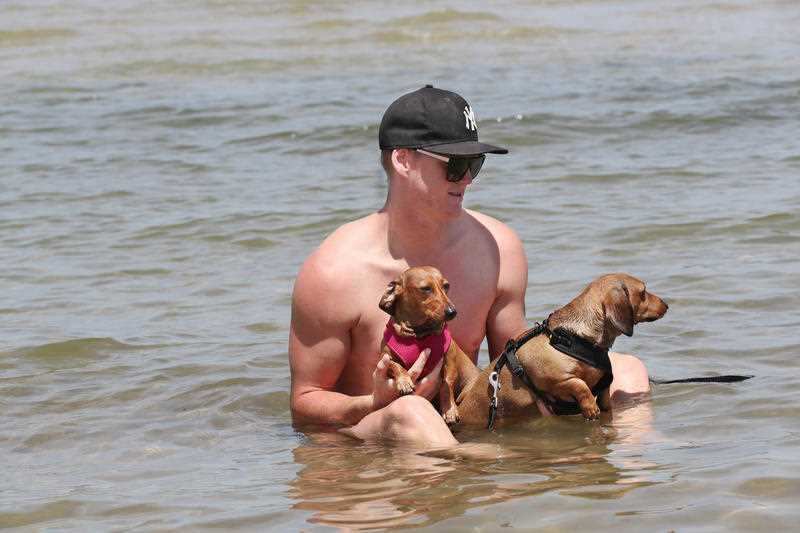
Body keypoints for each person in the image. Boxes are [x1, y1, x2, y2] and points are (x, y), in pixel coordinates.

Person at [289, 85, 650, 447]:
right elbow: (304, 406)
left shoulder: (498, 247)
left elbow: (510, 365)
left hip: (461, 420)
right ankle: (478, 471)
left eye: (475, 165)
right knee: (411, 412)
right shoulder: (334, 271)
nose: (467, 181)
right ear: (402, 160)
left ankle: (626, 484)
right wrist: (374, 402)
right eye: (455, 165)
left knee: (626, 370)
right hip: (372, 436)